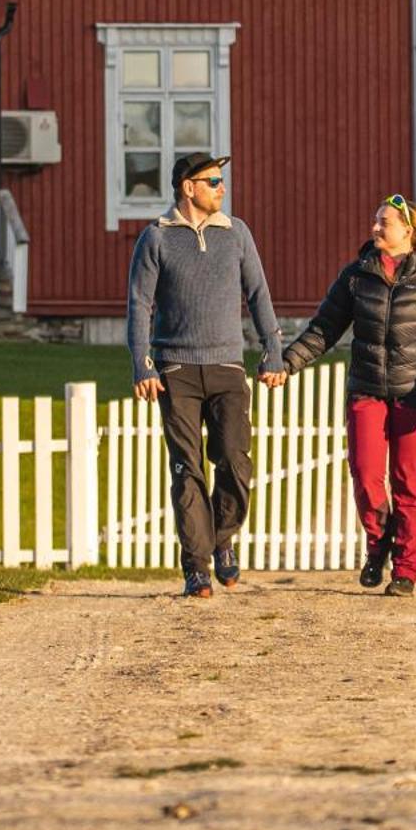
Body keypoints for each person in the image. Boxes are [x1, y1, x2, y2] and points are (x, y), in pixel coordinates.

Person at [282, 194, 416, 597]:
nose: (376, 228)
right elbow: (323, 329)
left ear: (408, 230)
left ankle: (405, 569)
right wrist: (288, 363)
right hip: (366, 391)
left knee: (407, 483)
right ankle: (378, 541)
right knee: (366, 477)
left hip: (415, 395)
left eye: (384, 222)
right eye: (375, 221)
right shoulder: (356, 276)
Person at [126, 152, 286, 598]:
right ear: (187, 187)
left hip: (227, 367)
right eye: (212, 180)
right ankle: (196, 566)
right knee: (187, 469)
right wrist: (142, 364)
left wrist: (272, 351)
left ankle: (221, 538)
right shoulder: (155, 239)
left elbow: (258, 295)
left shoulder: (237, 234)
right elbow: (139, 304)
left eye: (222, 179)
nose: (222, 186)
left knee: (236, 462)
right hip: (176, 369)